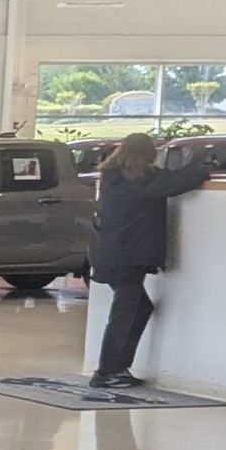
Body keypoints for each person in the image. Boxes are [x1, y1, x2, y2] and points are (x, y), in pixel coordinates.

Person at [89, 131, 214, 388]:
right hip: (129, 256)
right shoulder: (142, 179)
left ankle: (117, 367)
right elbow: (179, 181)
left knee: (137, 308)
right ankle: (107, 372)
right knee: (124, 313)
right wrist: (205, 167)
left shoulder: (112, 177)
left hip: (108, 252)